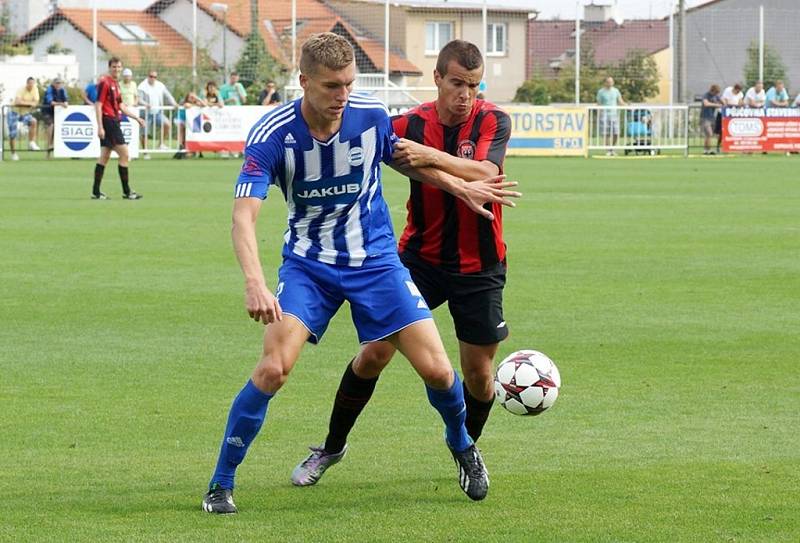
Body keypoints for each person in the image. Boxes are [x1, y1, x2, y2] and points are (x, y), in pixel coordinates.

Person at [201, 32, 519, 514]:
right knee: (273, 369)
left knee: (436, 369)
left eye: (348, 84)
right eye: (331, 86)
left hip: (376, 262)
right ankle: (221, 483)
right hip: (310, 267)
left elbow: (405, 160)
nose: (342, 96)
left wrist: (459, 188)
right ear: (304, 81)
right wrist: (254, 280)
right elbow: (243, 215)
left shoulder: (369, 115)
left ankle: (463, 447)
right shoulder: (273, 134)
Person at [289, 39, 513, 489]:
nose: (465, 94)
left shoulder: (493, 119)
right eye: (456, 83)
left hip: (480, 265)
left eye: (473, 84)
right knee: (372, 354)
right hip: (417, 260)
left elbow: (487, 173)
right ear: (437, 78)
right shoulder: (408, 122)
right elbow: (371, 143)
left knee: (480, 374)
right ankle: (331, 447)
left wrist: (428, 156)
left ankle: (466, 448)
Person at [91, 58, 145, 200]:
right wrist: (100, 126)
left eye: (119, 67)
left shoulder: (116, 84)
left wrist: (136, 118)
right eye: (114, 67)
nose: (117, 69)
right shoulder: (105, 82)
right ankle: (126, 192)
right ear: (110, 68)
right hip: (109, 122)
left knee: (104, 156)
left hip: (114, 121)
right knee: (125, 154)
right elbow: (98, 105)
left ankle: (96, 192)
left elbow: (121, 106)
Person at [138, 70, 177, 152]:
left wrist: (174, 103)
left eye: (155, 77)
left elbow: (168, 95)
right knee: (144, 133)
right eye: (151, 76)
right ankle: (145, 151)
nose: (153, 78)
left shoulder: (160, 85)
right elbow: (139, 99)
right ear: (148, 76)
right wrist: (145, 104)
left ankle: (160, 145)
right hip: (146, 113)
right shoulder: (142, 86)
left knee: (167, 124)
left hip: (157, 113)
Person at [7, 77, 41, 160]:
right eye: (30, 84)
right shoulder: (21, 89)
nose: (31, 85)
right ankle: (13, 153)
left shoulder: (35, 89)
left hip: (24, 113)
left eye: (33, 84)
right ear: (27, 83)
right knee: (13, 134)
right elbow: (17, 102)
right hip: (14, 112)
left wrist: (25, 102)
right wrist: (29, 103)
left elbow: (36, 103)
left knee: (33, 121)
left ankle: (31, 142)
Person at [596, 76, 625, 155]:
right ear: (605, 83)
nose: (610, 83)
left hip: (614, 114)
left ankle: (612, 148)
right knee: (606, 133)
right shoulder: (601, 92)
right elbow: (599, 104)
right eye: (608, 82)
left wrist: (626, 106)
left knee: (616, 133)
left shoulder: (616, 91)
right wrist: (599, 114)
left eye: (611, 82)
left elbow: (620, 101)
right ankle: (608, 150)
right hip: (604, 115)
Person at [41, 77, 69, 157]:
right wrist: (61, 104)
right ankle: (49, 147)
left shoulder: (62, 90)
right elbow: (51, 102)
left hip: (57, 113)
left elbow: (66, 99)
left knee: (56, 130)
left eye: (60, 83)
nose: (58, 85)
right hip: (47, 111)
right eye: (57, 83)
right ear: (53, 84)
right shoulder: (49, 90)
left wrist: (66, 102)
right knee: (51, 125)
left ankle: (51, 148)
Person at [174, 91, 207, 158]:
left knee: (191, 133)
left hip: (190, 122)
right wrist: (195, 105)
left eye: (193, 97)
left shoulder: (196, 102)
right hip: (181, 119)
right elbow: (187, 105)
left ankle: (190, 151)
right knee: (183, 130)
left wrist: (197, 98)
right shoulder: (185, 102)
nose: (192, 98)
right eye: (190, 97)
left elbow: (204, 105)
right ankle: (181, 146)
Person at [700, 84, 722, 155]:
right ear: (712, 90)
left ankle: (706, 150)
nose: (716, 94)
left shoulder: (716, 96)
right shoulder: (706, 95)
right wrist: (717, 105)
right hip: (705, 117)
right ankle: (708, 150)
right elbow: (706, 104)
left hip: (712, 117)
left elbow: (722, 101)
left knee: (708, 135)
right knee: (709, 133)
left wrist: (724, 103)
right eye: (715, 92)